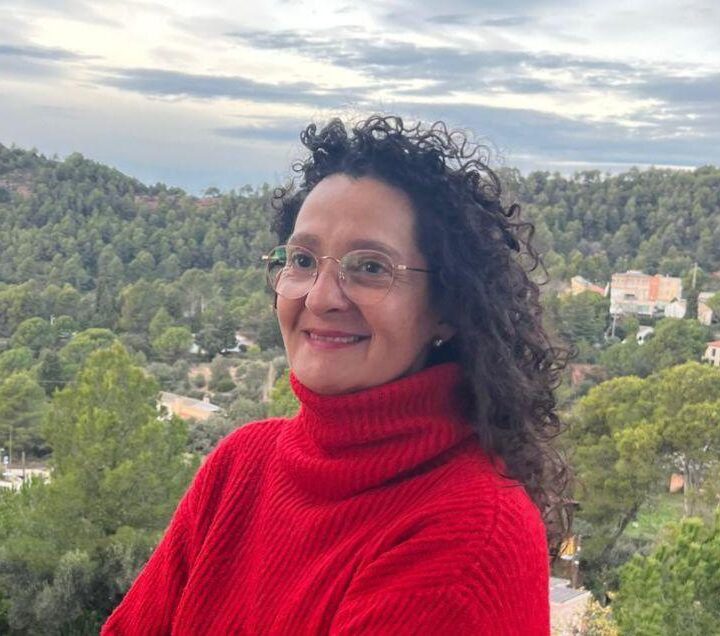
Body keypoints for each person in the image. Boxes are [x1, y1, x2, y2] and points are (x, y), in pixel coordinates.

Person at [102, 115, 570, 635]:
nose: (321, 297)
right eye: (302, 260)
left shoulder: (470, 535)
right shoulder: (241, 466)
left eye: (370, 267)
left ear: (447, 306)